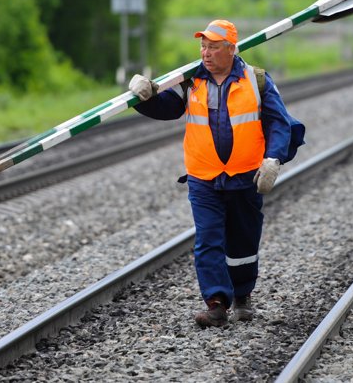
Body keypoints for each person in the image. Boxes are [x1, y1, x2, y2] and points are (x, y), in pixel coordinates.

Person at [128, 19, 304, 327]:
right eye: (203, 47)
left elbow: (279, 122)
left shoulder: (257, 80)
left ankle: (243, 295)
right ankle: (216, 302)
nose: (206, 54)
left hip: (245, 177)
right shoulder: (191, 80)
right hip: (204, 178)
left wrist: (273, 159)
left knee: (243, 241)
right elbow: (166, 108)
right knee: (208, 239)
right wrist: (143, 97)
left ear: (231, 50)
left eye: (213, 48)